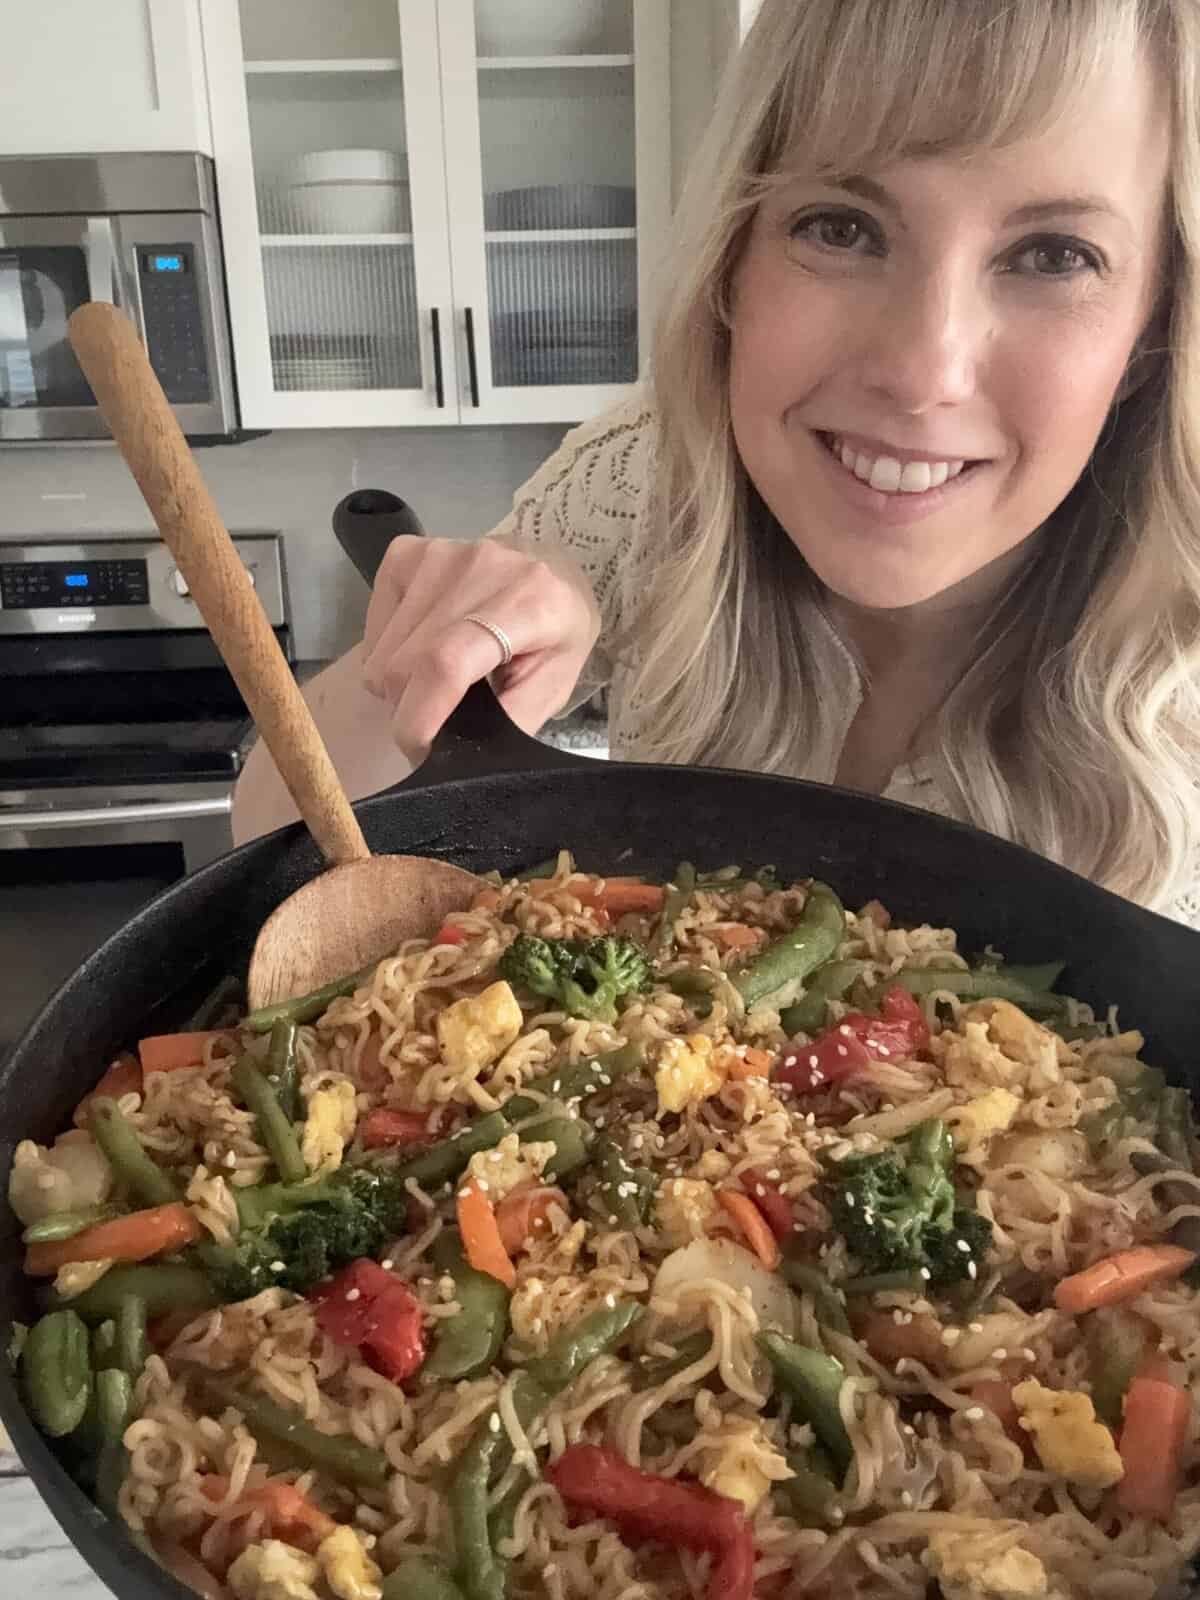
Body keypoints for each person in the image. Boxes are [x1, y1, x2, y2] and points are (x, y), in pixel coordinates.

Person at [233, 0, 1200, 928]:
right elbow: (273, 823)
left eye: (1054, 256)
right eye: (841, 227)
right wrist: (459, 634)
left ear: (1155, 324)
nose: (922, 374)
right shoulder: (650, 482)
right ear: (733, 261)